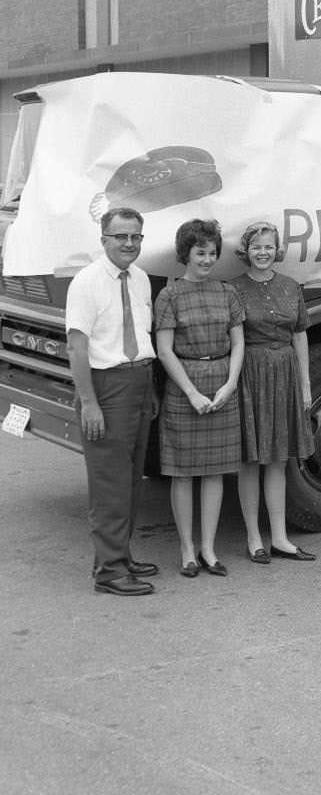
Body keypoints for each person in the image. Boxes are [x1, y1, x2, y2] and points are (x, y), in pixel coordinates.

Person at [65, 208, 161, 596]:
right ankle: (109, 572)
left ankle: (119, 553)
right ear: (103, 239)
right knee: (110, 482)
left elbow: (141, 332)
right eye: (121, 236)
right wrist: (89, 403)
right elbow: (77, 346)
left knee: (132, 478)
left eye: (136, 236)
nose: (129, 243)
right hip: (106, 387)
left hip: (138, 382)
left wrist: (149, 387)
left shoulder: (139, 279)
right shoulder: (87, 282)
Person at [154, 219, 245, 578]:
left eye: (212, 253)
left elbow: (238, 342)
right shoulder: (170, 295)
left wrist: (230, 384)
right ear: (185, 254)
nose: (207, 260)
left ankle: (208, 548)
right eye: (200, 252)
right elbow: (164, 350)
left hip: (222, 382)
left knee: (214, 473)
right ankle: (187, 549)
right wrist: (190, 392)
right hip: (185, 387)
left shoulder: (226, 293)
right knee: (182, 473)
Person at [232, 220, 317, 564]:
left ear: (277, 250)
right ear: (246, 251)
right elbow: (234, 338)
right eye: (256, 247)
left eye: (268, 246)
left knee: (279, 460)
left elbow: (300, 334)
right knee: (251, 460)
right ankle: (254, 538)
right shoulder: (233, 288)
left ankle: (280, 537)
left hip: (284, 373)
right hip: (250, 374)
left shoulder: (290, 286)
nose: (262, 252)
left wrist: (306, 385)